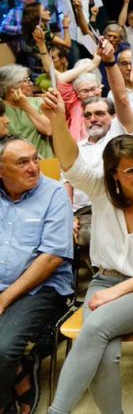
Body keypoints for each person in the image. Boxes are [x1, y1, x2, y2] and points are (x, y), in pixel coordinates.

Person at [42, 90, 133, 414]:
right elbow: (71, 163)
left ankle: (57, 411)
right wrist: (58, 120)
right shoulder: (101, 192)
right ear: (114, 175)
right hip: (103, 283)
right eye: (130, 171)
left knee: (94, 328)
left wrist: (117, 291)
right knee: (105, 349)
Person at [0, 136, 73, 413]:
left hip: (41, 287)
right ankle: (20, 372)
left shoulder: (53, 194)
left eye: (35, 159)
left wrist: (5, 298)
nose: (33, 167)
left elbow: (52, 257)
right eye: (22, 162)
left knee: (3, 348)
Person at [0, 65, 53, 159]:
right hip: (14, 164)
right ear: (11, 86)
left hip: (44, 160)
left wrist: (25, 105)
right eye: (26, 80)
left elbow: (48, 130)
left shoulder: (38, 102)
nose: (31, 83)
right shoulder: (2, 108)